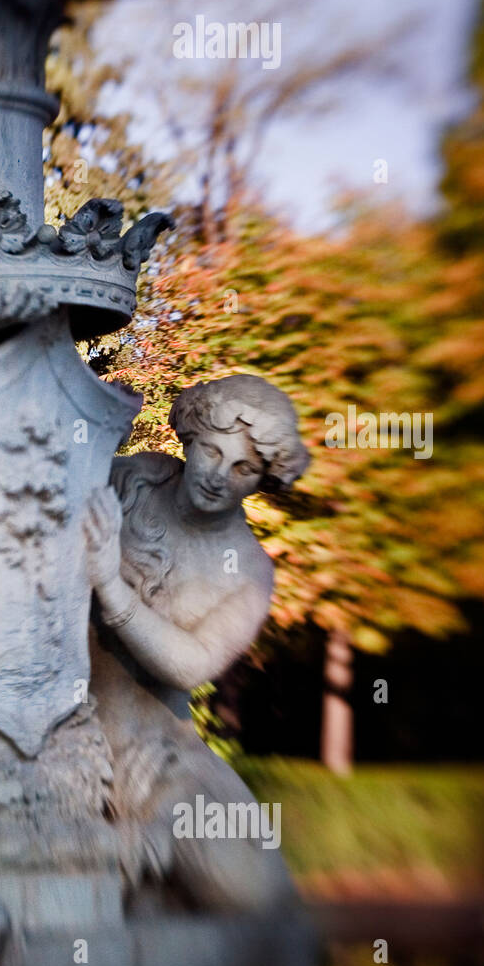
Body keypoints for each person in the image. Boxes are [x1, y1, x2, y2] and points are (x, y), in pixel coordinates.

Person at [82, 372, 309, 911]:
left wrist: (112, 590)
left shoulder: (249, 572)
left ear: (262, 480)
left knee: (256, 893)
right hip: (51, 720)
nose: (217, 476)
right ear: (189, 437)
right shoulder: (131, 481)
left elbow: (190, 665)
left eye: (244, 468)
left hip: (154, 753)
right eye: (211, 452)